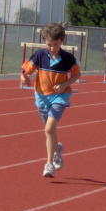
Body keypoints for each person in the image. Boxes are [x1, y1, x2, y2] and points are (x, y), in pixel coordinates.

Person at [20, 23, 81, 177]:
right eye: (49, 44)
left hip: (60, 96)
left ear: (62, 40)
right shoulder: (40, 55)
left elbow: (76, 75)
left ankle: (49, 165)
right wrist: (24, 77)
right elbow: (25, 70)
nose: (52, 48)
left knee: (48, 129)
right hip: (41, 97)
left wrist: (65, 84)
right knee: (50, 131)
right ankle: (57, 149)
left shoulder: (68, 58)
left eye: (55, 44)